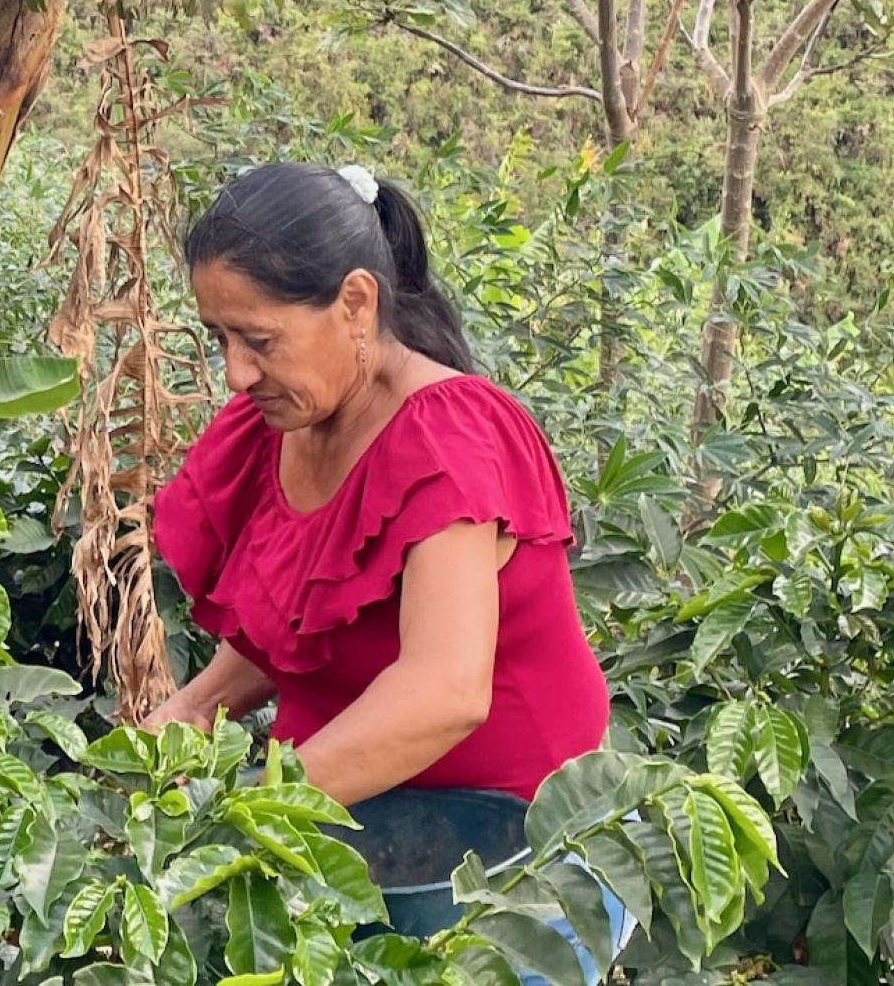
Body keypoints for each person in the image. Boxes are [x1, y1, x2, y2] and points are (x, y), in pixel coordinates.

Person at [147, 163, 620, 965]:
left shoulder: (448, 441)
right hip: (356, 839)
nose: (234, 372)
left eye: (259, 340)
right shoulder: (283, 422)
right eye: (219, 337)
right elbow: (291, 617)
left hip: (510, 875)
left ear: (357, 303)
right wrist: (190, 712)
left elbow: (443, 693)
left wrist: (245, 814)